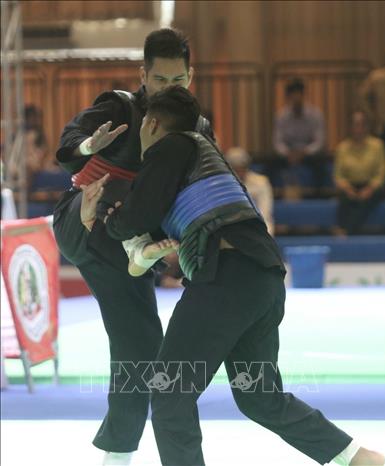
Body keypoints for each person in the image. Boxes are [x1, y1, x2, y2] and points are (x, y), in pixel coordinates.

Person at [83, 86, 385, 466]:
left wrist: (106, 218)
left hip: (226, 278)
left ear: (153, 123)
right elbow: (156, 245)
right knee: (259, 396)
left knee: (169, 392)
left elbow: (135, 218)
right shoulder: (204, 160)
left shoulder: (170, 146)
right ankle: (356, 457)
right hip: (262, 277)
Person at [53, 29, 213, 466]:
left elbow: (196, 195)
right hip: (81, 220)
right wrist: (90, 146)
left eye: (177, 81)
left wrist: (190, 257)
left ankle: (117, 454)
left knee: (142, 343)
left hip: (126, 234)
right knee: (140, 338)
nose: (169, 89)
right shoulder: (118, 106)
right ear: (143, 75)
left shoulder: (195, 127)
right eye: (160, 80)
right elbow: (66, 149)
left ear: (190, 77)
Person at [334, 110, 385, 235]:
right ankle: (345, 230)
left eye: (361, 124)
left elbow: (382, 172)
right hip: (350, 186)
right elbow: (338, 175)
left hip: (372, 186)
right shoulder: (342, 147)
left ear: (367, 126)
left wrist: (370, 188)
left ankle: (346, 230)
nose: (358, 128)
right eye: (355, 124)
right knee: (344, 198)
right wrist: (348, 189)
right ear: (350, 127)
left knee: (369, 199)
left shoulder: (378, 145)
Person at [273, 78, 326, 195]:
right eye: (293, 95)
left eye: (298, 95)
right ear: (288, 97)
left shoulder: (315, 115)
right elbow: (277, 143)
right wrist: (288, 153)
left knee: (322, 165)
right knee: (270, 164)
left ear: (303, 95)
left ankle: (318, 196)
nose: (296, 98)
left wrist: (305, 152)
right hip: (289, 154)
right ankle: (275, 195)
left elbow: (319, 142)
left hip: (308, 154)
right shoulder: (281, 116)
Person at [360, 45, 385, 180]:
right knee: (384, 159)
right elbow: (362, 96)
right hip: (384, 125)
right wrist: (372, 115)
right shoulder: (377, 77)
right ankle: (384, 188)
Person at [225, 146, 274, 235]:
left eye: (242, 169)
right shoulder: (222, 184)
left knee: (267, 229)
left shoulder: (261, 182)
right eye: (236, 169)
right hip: (231, 227)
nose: (239, 173)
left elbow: (264, 212)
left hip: (258, 224)